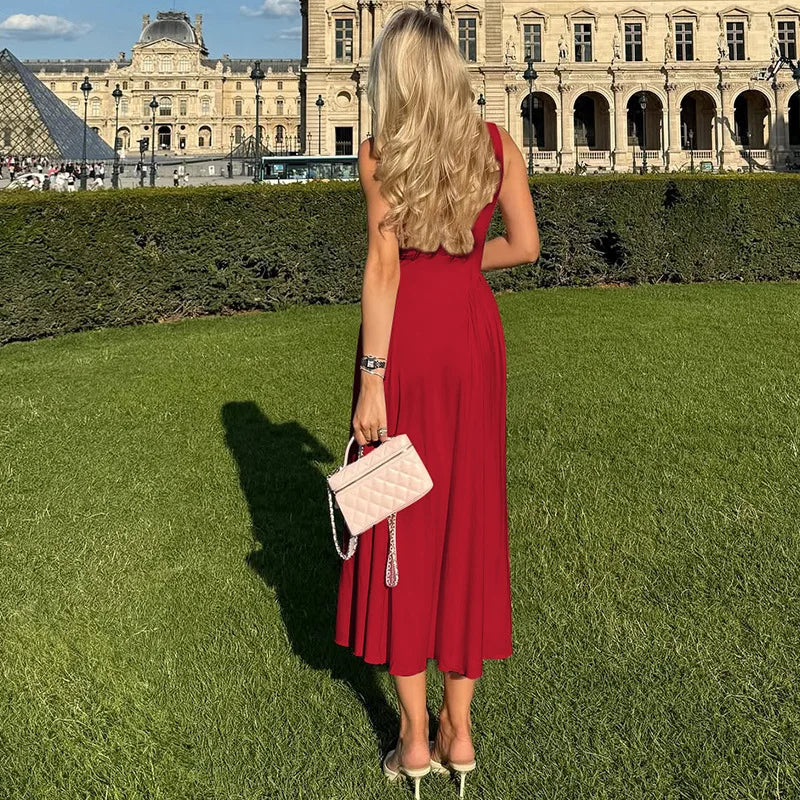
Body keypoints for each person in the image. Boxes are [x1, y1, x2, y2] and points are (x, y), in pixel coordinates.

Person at [333, 7, 540, 799]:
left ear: (396, 77)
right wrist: (460, 261)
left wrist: (374, 376)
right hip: (472, 339)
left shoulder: (381, 155)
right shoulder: (496, 146)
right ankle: (463, 733)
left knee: (397, 521)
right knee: (468, 518)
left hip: (407, 348)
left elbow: (382, 269)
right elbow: (523, 246)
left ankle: (413, 740)